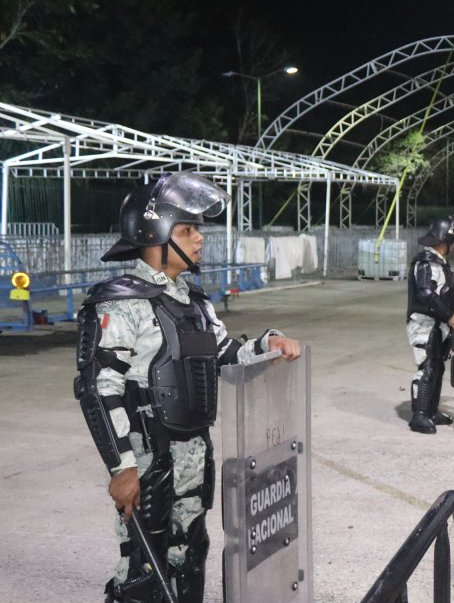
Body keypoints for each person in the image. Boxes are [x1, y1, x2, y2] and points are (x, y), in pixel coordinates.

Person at [74, 172, 302, 602]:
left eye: (197, 229)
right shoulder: (122, 302)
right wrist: (121, 468)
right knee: (144, 567)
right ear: (155, 234)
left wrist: (267, 343)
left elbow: (224, 353)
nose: (199, 239)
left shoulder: (193, 302)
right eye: (187, 229)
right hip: (149, 460)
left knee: (190, 555)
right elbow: (98, 389)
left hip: (194, 454)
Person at [407, 215, 454, 434]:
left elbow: (444, 293)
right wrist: (449, 315)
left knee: (438, 367)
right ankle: (419, 415)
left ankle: (431, 411)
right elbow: (426, 293)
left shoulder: (439, 263)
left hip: (437, 324)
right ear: (445, 240)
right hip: (424, 324)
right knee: (427, 368)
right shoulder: (425, 262)